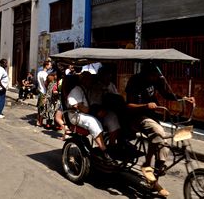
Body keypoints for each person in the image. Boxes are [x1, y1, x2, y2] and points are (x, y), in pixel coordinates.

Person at [125, 64, 195, 197]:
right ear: (147, 73)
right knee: (158, 132)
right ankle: (146, 164)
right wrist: (146, 105)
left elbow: (166, 94)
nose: (157, 78)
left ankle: (154, 179)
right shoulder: (134, 81)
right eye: (154, 75)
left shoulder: (155, 80)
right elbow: (129, 105)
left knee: (164, 145)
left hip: (151, 116)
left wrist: (183, 98)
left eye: (157, 75)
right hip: (136, 116)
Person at [67, 71, 114, 162]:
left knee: (110, 117)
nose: (90, 81)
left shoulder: (90, 89)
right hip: (76, 115)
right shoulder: (77, 89)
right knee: (92, 121)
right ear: (83, 80)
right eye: (87, 79)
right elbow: (82, 108)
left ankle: (112, 146)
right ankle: (104, 150)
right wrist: (91, 111)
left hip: (87, 113)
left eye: (90, 79)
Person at [36, 58, 52, 126]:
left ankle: (38, 121)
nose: (50, 66)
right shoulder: (45, 74)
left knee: (40, 107)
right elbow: (46, 84)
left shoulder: (39, 73)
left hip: (39, 91)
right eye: (50, 65)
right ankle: (40, 122)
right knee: (42, 108)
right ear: (46, 66)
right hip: (44, 92)